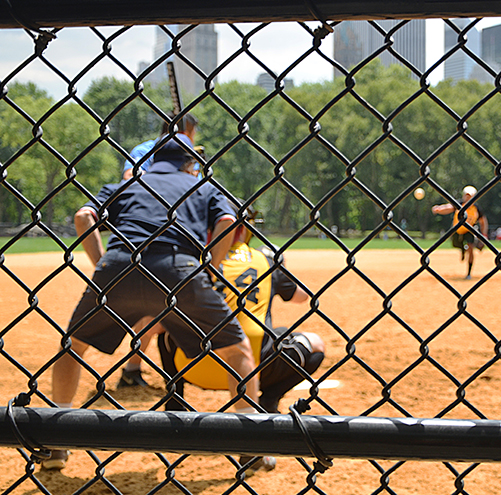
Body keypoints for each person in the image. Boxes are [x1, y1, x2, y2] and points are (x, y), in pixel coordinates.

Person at [45, 134, 258, 471]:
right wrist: (211, 268)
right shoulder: (201, 186)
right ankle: (251, 444)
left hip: (119, 266)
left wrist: (103, 264)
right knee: (237, 350)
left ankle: (54, 441)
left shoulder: (126, 185)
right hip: (180, 271)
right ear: (189, 163)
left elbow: (83, 217)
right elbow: (228, 222)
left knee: (73, 347)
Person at [157, 213, 325, 415]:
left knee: (167, 327)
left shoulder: (191, 261)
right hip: (253, 369)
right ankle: (268, 401)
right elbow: (302, 297)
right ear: (244, 229)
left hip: (193, 368)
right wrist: (280, 267)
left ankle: (176, 401)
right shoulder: (264, 261)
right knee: (314, 343)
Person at [117, 113, 199, 388]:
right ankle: (135, 369)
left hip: (178, 236)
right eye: (192, 134)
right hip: (146, 234)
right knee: (152, 309)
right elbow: (129, 179)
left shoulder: (191, 156)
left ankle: (136, 369)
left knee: (162, 309)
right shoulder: (144, 151)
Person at [431, 186, 488, 280]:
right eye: (466, 196)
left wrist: (484, 234)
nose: (468, 198)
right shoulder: (459, 204)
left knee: (470, 248)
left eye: (470, 196)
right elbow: (448, 207)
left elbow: (483, 221)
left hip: (469, 230)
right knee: (456, 244)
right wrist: (439, 209)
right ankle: (462, 249)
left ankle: (469, 273)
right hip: (457, 230)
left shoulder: (477, 208)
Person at [122, 113, 198, 180]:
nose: (193, 141)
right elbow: (129, 175)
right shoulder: (144, 150)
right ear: (180, 134)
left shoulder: (191, 156)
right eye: (192, 136)